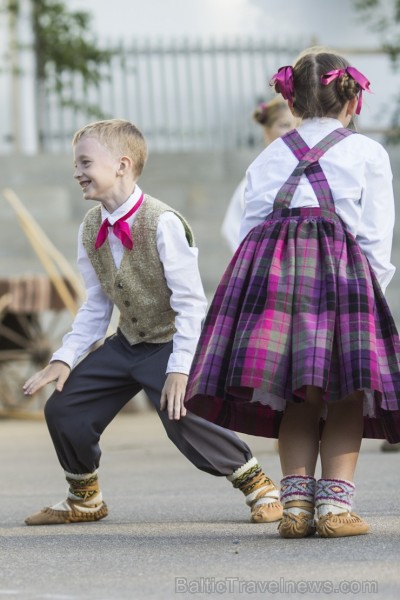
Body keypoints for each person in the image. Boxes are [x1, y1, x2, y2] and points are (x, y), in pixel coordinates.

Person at [22, 119, 283, 526]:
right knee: (65, 405)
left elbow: (191, 303)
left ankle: (260, 487)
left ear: (122, 165)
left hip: (172, 340)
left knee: (181, 414)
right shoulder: (90, 227)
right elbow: (95, 306)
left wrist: (180, 369)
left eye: (85, 162)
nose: (77, 172)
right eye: (77, 164)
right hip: (127, 342)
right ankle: (85, 498)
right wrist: (64, 358)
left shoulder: (163, 222)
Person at [185, 49, 400, 539]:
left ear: (293, 103)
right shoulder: (367, 152)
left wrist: (254, 294)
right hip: (341, 280)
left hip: (275, 283)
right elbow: (374, 236)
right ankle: (334, 509)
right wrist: (371, 293)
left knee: (296, 396)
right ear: (352, 101)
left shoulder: (268, 154)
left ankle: (296, 506)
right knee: (346, 392)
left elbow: (250, 229)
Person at [221, 97, 297, 253]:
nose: (292, 131)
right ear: (267, 131)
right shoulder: (257, 177)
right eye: (284, 125)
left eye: (297, 125)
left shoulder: (308, 170)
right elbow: (231, 228)